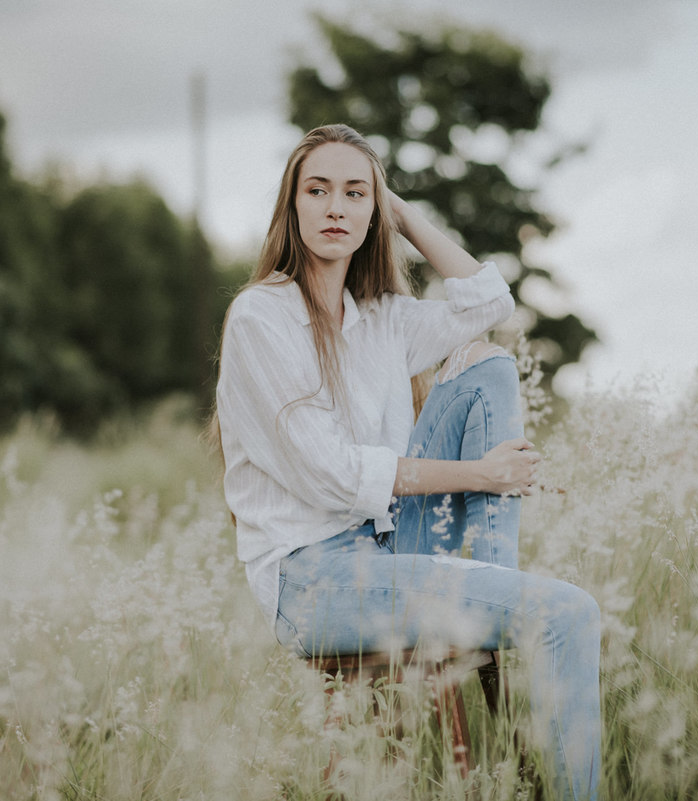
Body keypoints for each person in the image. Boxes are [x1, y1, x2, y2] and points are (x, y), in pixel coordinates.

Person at [214, 123, 601, 800]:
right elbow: (333, 472)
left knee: (490, 368)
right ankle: (493, 605)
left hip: (390, 545)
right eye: (318, 190)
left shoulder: (382, 318)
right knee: (568, 614)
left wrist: (403, 213)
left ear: (372, 212)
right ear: (292, 205)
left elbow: (489, 301)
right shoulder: (260, 319)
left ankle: (487, 589)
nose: (335, 207)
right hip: (316, 579)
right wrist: (481, 476)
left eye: (353, 193)